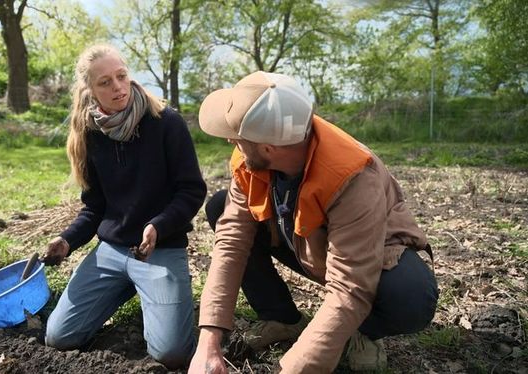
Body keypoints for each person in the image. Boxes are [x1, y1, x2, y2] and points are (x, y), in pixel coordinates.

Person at [188, 71, 438, 373]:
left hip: (369, 253)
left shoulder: (353, 177)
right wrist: (209, 342)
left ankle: (364, 330)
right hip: (304, 239)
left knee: (411, 297)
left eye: (237, 138)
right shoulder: (255, 156)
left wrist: (291, 369)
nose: (230, 140)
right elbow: (232, 241)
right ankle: (281, 318)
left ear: (269, 148)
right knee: (220, 207)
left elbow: (350, 285)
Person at [42, 44, 207, 370]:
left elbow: (191, 190)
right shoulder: (90, 135)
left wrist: (158, 226)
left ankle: (154, 292)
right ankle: (127, 286)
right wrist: (66, 241)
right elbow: (94, 209)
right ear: (89, 90)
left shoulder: (166, 122)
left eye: (121, 76)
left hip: (160, 249)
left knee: (171, 354)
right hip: (111, 252)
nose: (118, 87)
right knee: (59, 338)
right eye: (105, 82)